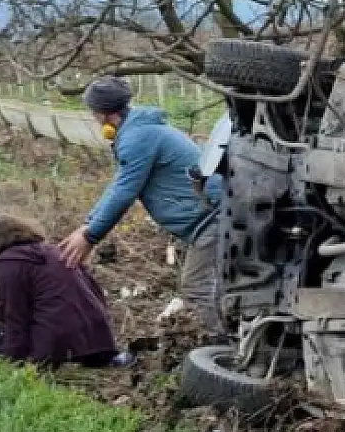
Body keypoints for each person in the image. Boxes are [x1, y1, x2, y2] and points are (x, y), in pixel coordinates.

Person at [58, 76, 225, 335]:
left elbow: (125, 192)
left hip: (210, 219)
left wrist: (91, 236)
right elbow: (119, 184)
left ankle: (227, 353)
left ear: (103, 115)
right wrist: (88, 223)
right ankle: (236, 339)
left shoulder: (138, 137)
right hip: (211, 215)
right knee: (216, 285)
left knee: (197, 287)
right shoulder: (140, 130)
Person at [0, 212, 130, 368]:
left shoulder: (8, 265)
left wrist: (12, 360)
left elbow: (15, 318)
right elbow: (92, 291)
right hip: (98, 341)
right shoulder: (53, 251)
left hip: (57, 347)